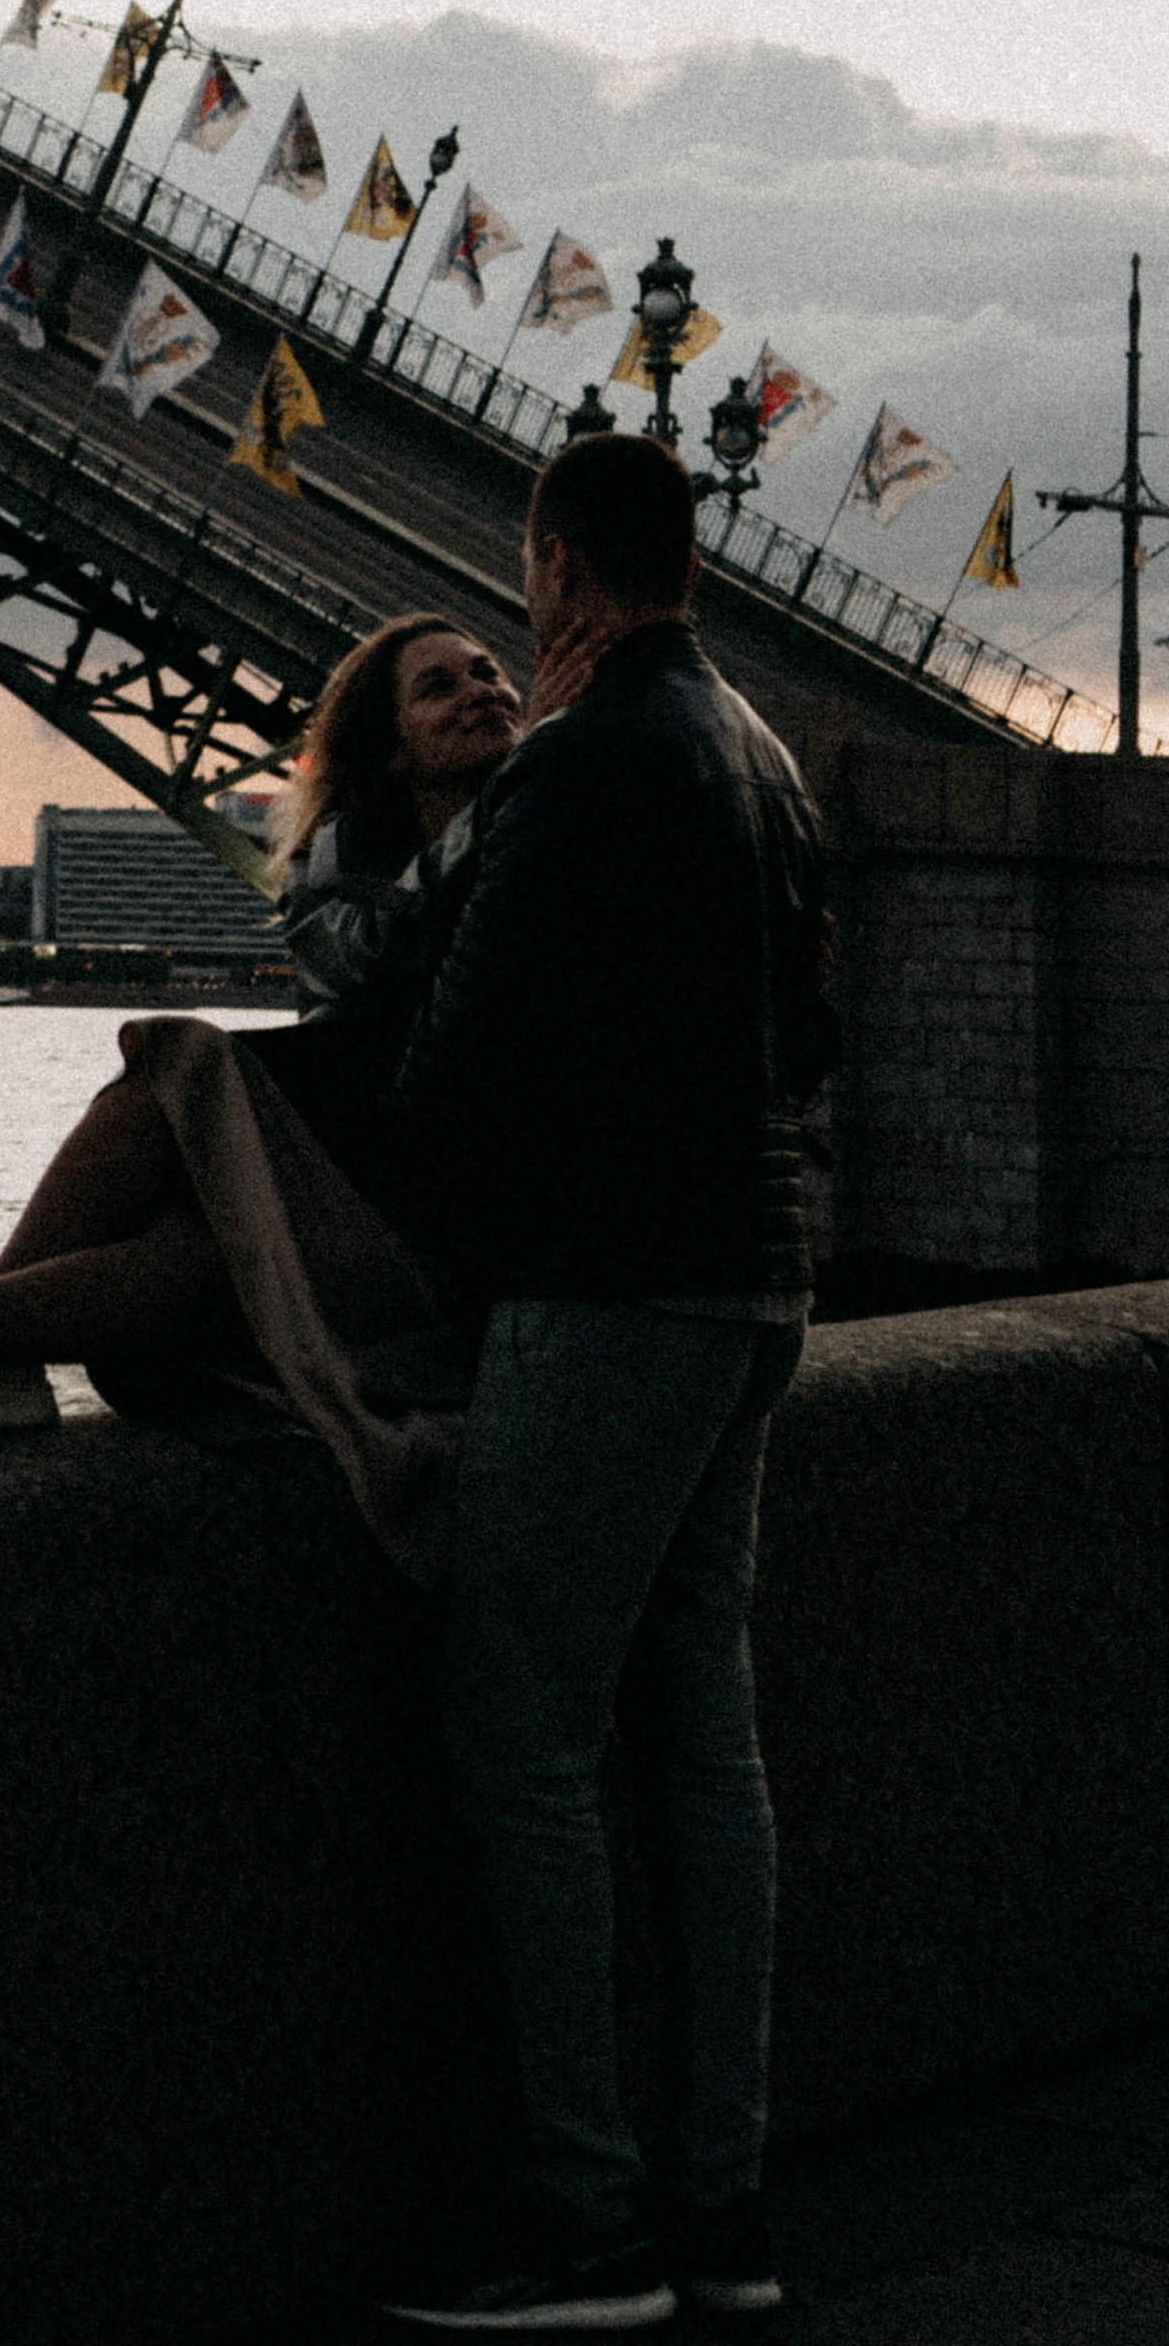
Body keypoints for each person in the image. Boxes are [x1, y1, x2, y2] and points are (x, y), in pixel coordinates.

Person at [369, 430, 828, 2337]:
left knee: (523, 1734)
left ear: (559, 568)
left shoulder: (579, 763)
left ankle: (585, 2226)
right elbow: (806, 1036)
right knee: (703, 1744)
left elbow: (449, 1076)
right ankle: (722, 2208)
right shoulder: (765, 757)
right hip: (757, 1282)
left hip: (610, 1287)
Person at [0, 613, 521, 1578]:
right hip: (391, 1229)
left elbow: (405, 1073)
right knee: (198, 1238)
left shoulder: (533, 847)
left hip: (465, 1259)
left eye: (489, 671)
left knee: (177, 1071)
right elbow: (368, 1030)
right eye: (440, 686)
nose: (480, 690)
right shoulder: (355, 890)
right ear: (388, 751)